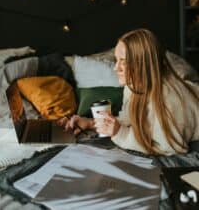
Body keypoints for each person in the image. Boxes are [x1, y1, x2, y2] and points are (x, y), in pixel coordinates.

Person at [58, 29, 199, 155]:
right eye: (116, 60)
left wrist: (121, 134)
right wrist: (90, 123)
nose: (116, 68)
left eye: (124, 62)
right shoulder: (134, 85)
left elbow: (171, 147)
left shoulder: (168, 99)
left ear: (143, 65)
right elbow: (129, 119)